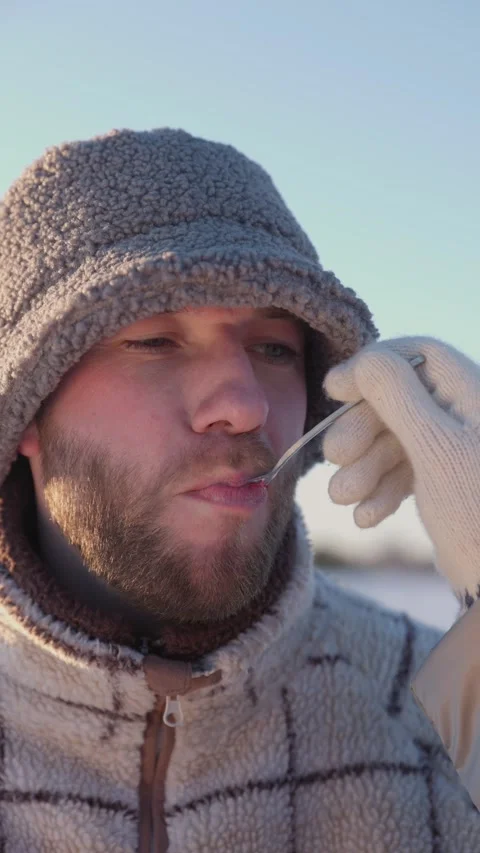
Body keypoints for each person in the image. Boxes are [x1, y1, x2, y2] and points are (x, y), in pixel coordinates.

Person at [0, 128, 478, 853]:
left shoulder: (440, 711)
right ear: (26, 407)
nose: (246, 403)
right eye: (154, 340)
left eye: (274, 349)